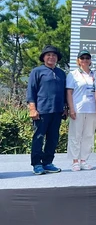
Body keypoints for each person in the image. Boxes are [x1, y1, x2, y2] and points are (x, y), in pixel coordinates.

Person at [27, 45, 67, 175]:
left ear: (57, 58)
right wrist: (32, 109)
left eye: (54, 55)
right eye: (48, 55)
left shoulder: (61, 73)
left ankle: (48, 162)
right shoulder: (37, 71)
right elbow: (31, 92)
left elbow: (65, 93)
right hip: (42, 111)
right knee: (38, 137)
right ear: (44, 57)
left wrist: (66, 107)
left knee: (53, 138)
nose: (51, 57)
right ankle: (37, 164)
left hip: (57, 111)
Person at [66, 50, 96, 171]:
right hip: (78, 108)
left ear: (90, 60)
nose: (85, 60)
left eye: (87, 58)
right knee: (75, 135)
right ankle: (75, 161)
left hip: (92, 109)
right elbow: (69, 92)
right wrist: (71, 109)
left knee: (88, 135)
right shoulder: (73, 74)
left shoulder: (94, 74)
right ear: (78, 60)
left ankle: (84, 160)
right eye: (82, 58)